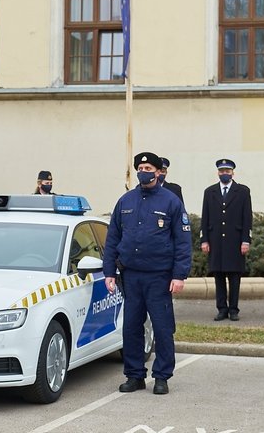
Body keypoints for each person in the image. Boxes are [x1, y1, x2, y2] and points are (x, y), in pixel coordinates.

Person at [104, 152, 192, 396]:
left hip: (159, 277)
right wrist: (109, 271)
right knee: (131, 327)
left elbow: (183, 241)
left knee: (163, 328)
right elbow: (113, 238)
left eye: (148, 167)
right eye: (140, 166)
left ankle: (162, 376)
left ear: (158, 171)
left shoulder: (171, 201)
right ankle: (134, 375)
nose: (144, 170)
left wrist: (179, 275)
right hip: (131, 276)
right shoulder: (126, 201)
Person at [200, 158, 252, 321]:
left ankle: (234, 309)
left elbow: (247, 217)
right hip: (216, 241)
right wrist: (204, 240)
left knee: (235, 277)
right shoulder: (210, 192)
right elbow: (205, 217)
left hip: (235, 241)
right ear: (218, 173)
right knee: (219, 276)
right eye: (222, 171)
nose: (224, 174)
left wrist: (246, 240)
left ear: (232, 173)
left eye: (227, 171)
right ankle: (222, 308)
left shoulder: (242, 191)